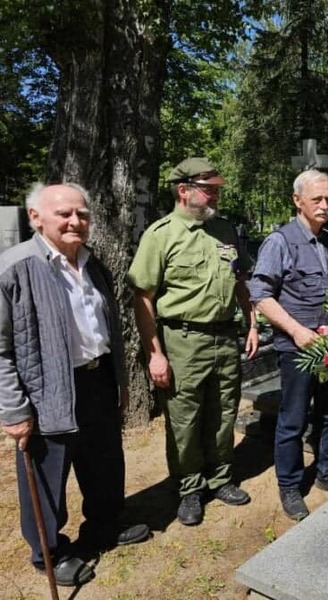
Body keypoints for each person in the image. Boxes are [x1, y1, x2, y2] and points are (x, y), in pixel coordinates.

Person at [0, 183, 150, 587]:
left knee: (103, 462)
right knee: (48, 475)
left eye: (82, 214)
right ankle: (48, 550)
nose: (75, 221)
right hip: (45, 391)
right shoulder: (13, 267)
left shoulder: (92, 262)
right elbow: (0, 349)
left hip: (96, 380)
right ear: (36, 217)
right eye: (64, 213)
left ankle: (102, 526)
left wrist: (116, 380)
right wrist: (13, 410)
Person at [128, 158, 258, 527]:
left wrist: (251, 323)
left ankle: (220, 479)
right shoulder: (161, 235)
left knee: (223, 412)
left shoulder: (225, 231)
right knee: (185, 419)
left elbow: (239, 281)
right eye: (209, 187)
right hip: (182, 340)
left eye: (217, 187)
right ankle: (189, 487)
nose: (216, 193)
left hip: (224, 337)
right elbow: (143, 298)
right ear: (183, 191)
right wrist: (155, 353)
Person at [249, 169, 328, 521]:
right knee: (292, 419)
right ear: (297, 201)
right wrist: (295, 331)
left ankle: (327, 471)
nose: (325, 205)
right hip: (298, 348)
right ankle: (290, 485)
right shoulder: (280, 242)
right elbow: (260, 295)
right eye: (317, 199)